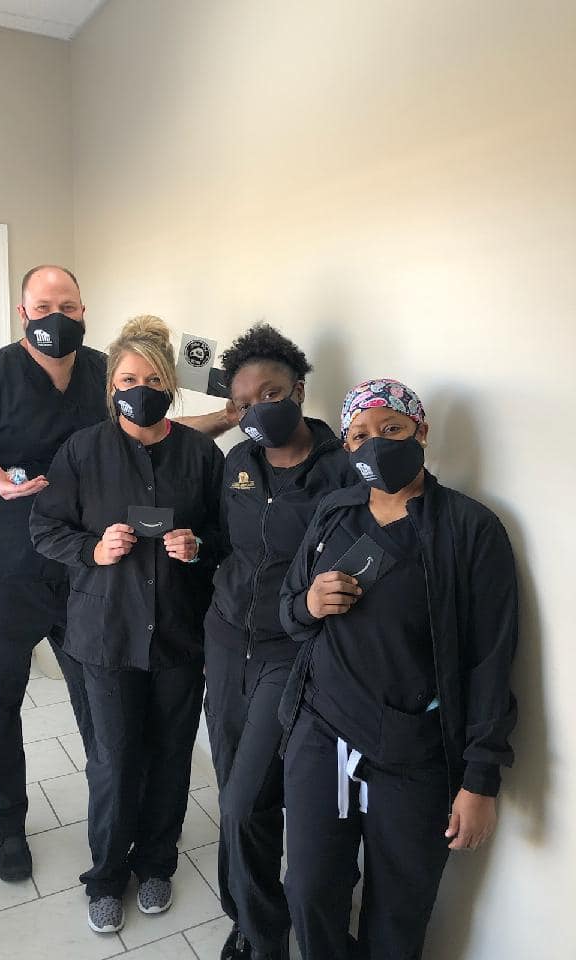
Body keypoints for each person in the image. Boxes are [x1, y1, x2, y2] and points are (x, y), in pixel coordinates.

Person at [0, 266, 236, 883]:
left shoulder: (105, 369)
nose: (56, 317)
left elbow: (153, 434)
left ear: (84, 310)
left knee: (104, 717)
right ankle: (6, 826)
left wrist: (226, 419)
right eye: (43, 306)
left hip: (92, 582)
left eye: (67, 305)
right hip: (1, 574)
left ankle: (124, 833)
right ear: (23, 313)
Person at [278, 378, 518, 960]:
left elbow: (490, 660)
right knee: (309, 890)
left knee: (399, 912)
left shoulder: (470, 528)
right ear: (345, 447)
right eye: (359, 436)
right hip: (322, 730)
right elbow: (289, 612)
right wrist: (309, 603)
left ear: (421, 432)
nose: (376, 445)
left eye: (391, 429)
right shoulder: (334, 513)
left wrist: (480, 779)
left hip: (414, 750)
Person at [30, 315, 224, 934]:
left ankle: (158, 863)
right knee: (113, 761)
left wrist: (198, 546)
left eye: (154, 380)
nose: (141, 390)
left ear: (171, 383)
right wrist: (93, 548)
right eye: (128, 380)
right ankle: (107, 875)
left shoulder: (200, 454)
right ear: (111, 386)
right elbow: (45, 528)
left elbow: (228, 535)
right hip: (106, 634)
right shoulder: (82, 451)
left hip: (178, 634)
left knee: (170, 757)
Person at [203, 324, 356, 960]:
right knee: (232, 792)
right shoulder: (238, 462)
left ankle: (267, 943)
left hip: (289, 651)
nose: (257, 410)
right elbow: (222, 540)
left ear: (298, 391)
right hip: (225, 640)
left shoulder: (341, 470)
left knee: (246, 803)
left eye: (269, 393)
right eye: (242, 403)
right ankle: (246, 918)